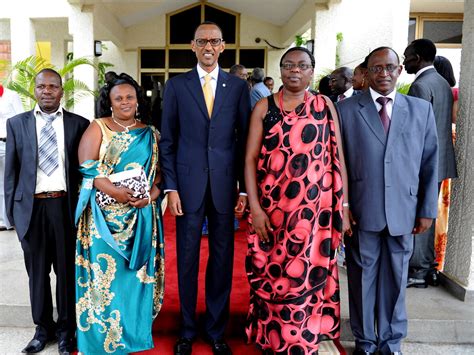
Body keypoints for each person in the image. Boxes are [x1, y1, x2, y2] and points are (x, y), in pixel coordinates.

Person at [244, 46, 350, 354]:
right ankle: (272, 336)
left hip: (316, 214)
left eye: (302, 65)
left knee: (307, 272)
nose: (295, 70)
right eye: (288, 65)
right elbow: (250, 159)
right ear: (279, 70)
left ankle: (303, 338)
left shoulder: (324, 105)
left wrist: (343, 206)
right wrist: (255, 207)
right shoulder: (265, 107)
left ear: (311, 71)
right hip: (273, 211)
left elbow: (337, 156)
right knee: (273, 273)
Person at [337, 47, 439, 355]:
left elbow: (429, 163)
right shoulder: (345, 110)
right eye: (377, 68)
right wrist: (343, 207)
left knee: (396, 279)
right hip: (361, 209)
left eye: (390, 68)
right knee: (362, 277)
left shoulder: (420, 109)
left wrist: (426, 209)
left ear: (399, 71)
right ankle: (366, 342)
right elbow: (336, 164)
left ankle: (391, 342)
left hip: (404, 211)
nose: (384, 73)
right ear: (366, 73)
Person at [159, 21, 250, 355]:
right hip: (187, 186)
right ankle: (186, 329)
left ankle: (215, 330)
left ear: (223, 46)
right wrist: (171, 188)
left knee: (223, 260)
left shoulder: (238, 88)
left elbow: (244, 142)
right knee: (186, 259)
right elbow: (168, 140)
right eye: (202, 42)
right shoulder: (177, 86)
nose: (208, 47)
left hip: (225, 187)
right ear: (193, 46)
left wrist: (242, 190)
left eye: (214, 41)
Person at [74, 73, 164, 354]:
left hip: (141, 217)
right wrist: (116, 193)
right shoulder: (97, 127)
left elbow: (160, 176)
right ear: (109, 102)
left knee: (134, 279)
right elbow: (88, 168)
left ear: (138, 101)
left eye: (130, 97)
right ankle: (101, 339)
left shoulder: (151, 133)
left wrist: (151, 195)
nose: (125, 102)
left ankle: (134, 335)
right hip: (104, 219)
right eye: (118, 98)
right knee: (106, 280)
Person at [4, 69, 89, 354]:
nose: (47, 91)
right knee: (37, 275)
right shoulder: (17, 124)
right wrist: (12, 215)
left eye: (53, 86)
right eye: (42, 86)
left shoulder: (79, 124)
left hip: (64, 207)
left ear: (62, 90)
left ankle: (66, 331)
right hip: (32, 209)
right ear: (35, 90)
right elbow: (11, 173)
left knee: (66, 274)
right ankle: (42, 330)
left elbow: (83, 172)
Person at [403, 38, 457, 288]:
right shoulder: (442, 82)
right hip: (441, 159)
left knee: (421, 214)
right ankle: (426, 267)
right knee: (428, 213)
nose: (404, 62)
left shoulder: (421, 86)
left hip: (425, 162)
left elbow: (417, 131)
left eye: (407, 56)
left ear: (418, 57)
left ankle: (419, 270)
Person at [0, 83, 23, 230]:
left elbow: (20, 119)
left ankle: (6, 220)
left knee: (6, 181)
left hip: (6, 143)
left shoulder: (11, 96)